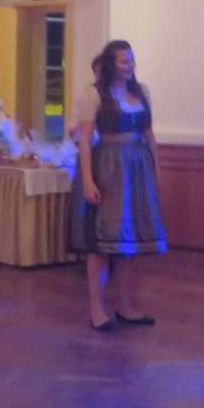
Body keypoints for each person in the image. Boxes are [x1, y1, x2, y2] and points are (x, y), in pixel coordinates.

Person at [70, 39, 166, 331]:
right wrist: (88, 181)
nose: (130, 66)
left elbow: (149, 133)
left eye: (132, 60)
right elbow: (85, 141)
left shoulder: (141, 91)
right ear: (112, 63)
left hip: (137, 170)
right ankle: (96, 309)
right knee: (101, 242)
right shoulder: (94, 94)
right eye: (124, 61)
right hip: (108, 168)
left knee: (129, 242)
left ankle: (125, 306)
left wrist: (156, 170)